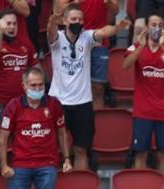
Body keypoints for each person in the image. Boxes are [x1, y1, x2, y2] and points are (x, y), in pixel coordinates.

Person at [46, 4, 129, 171]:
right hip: (58, 102)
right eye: (73, 19)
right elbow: (51, 32)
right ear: (65, 21)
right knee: (53, 150)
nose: (78, 22)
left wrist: (116, 28)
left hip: (83, 103)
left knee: (81, 149)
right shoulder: (58, 39)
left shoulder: (86, 37)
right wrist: (52, 22)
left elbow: (102, 31)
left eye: (80, 19)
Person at [0, 66, 72, 189]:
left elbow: (62, 132)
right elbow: (3, 138)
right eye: (33, 86)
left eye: (40, 85)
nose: (37, 89)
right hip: (20, 165)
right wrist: (4, 165)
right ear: (24, 86)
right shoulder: (13, 106)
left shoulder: (54, 104)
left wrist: (67, 159)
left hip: (47, 165)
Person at [124, 12, 164, 189]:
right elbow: (125, 64)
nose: (157, 28)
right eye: (153, 24)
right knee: (140, 153)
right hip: (143, 111)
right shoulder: (136, 47)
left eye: (160, 24)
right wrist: (140, 45)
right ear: (147, 27)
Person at [0, 9, 38, 170]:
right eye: (8, 23)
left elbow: (36, 70)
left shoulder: (25, 43)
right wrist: (0, 32)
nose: (12, 27)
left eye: (14, 23)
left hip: (23, 103)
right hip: (0, 104)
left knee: (24, 143)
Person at [55, 0, 119, 109]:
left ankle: (97, 124)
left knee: (98, 88)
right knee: (73, 86)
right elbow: (57, 13)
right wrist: (75, 2)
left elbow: (116, 11)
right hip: (74, 40)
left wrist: (108, 2)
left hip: (99, 40)